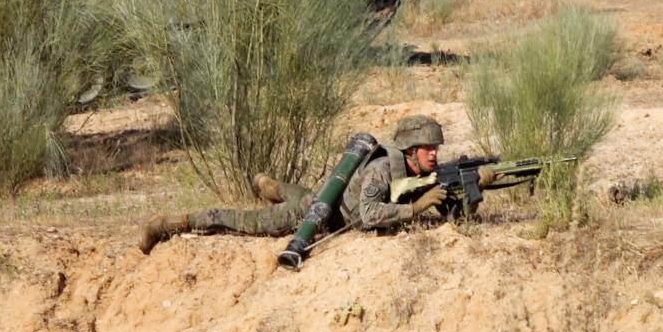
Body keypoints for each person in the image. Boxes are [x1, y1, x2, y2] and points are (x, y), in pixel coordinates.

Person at [138, 114, 495, 254]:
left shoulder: (417, 170)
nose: (434, 155)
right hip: (322, 214)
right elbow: (370, 215)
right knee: (249, 221)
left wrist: (476, 186)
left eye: (436, 150)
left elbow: (453, 216)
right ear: (410, 149)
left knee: (298, 191)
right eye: (428, 149)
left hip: (329, 197)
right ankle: (170, 223)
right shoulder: (384, 169)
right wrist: (417, 207)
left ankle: (270, 185)